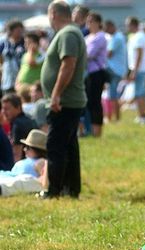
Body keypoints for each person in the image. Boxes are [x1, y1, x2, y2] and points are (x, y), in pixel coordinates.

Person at [40, 0, 87, 199]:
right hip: (68, 100)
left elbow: (68, 64)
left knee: (56, 146)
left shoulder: (68, 34)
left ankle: (54, 190)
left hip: (64, 101)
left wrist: (56, 94)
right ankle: (71, 189)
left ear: (54, 14)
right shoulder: (70, 32)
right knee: (68, 145)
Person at [125, 16, 145, 126]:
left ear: (133, 25)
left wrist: (134, 71)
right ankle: (142, 115)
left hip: (140, 69)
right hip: (141, 69)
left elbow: (139, 55)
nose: (127, 27)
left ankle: (143, 116)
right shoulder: (139, 36)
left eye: (128, 25)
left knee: (139, 94)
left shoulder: (139, 37)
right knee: (140, 93)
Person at [85, 12, 108, 137]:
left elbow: (89, 54)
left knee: (95, 102)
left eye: (91, 21)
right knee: (90, 102)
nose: (88, 24)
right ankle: (90, 129)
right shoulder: (88, 37)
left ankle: (97, 131)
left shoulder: (100, 36)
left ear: (98, 23)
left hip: (96, 72)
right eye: (88, 21)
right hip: (88, 73)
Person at [1, 93, 37, 162]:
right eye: (3, 109)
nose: (3, 112)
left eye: (7, 109)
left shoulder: (17, 124)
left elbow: (17, 155)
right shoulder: (28, 119)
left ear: (18, 108)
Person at [104, 20, 127, 123]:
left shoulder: (117, 37)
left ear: (111, 26)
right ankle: (114, 117)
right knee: (112, 95)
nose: (106, 31)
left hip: (115, 70)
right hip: (117, 70)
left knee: (113, 95)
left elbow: (109, 53)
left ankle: (116, 118)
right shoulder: (118, 36)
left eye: (106, 29)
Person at [0, 20, 25, 96]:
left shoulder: (24, 42)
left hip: (21, 79)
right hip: (7, 79)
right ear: (11, 31)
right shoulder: (4, 42)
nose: (20, 32)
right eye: (18, 30)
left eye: (21, 30)